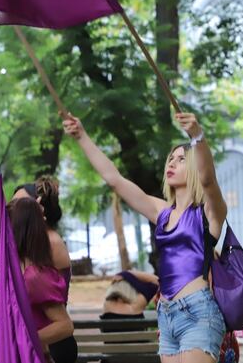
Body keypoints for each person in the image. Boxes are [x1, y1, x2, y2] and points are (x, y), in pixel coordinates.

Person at [65, 112, 228, 363]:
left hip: (198, 313)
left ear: (195, 167)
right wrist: (82, 137)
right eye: (170, 159)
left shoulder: (208, 212)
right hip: (167, 314)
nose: (171, 164)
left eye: (182, 160)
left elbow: (208, 180)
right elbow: (114, 180)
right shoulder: (162, 212)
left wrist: (198, 136)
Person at [0, 198, 75, 363]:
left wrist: (20, 340)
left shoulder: (35, 276)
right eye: (41, 220)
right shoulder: (12, 269)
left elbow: (65, 326)